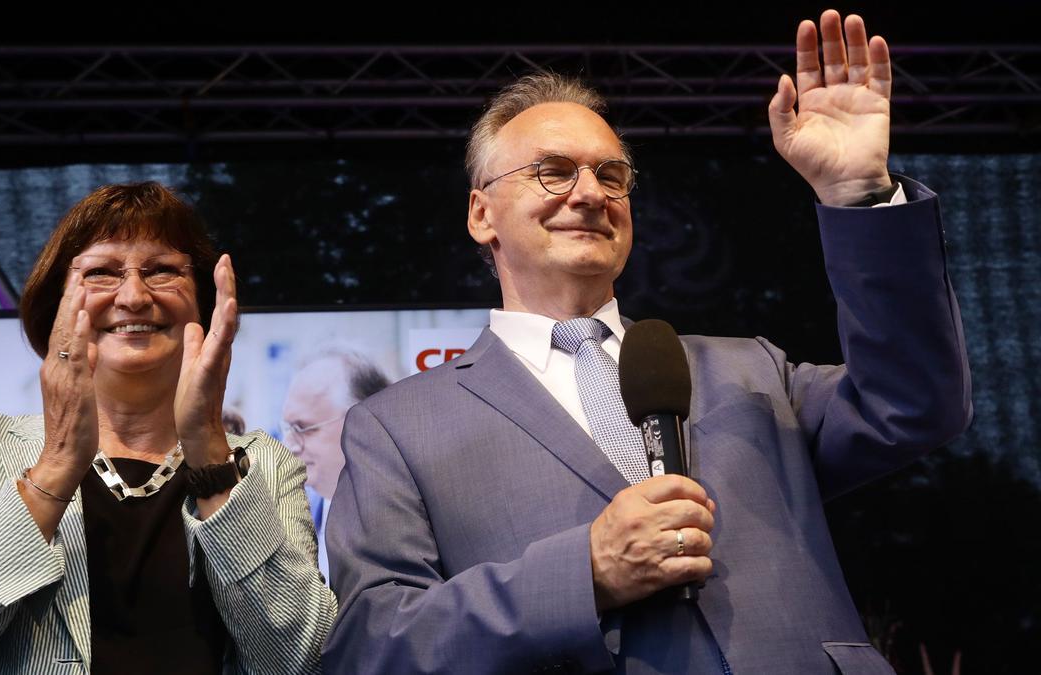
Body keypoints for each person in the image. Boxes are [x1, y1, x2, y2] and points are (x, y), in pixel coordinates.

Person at [323, 10, 971, 675]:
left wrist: (858, 193)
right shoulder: (395, 427)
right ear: (481, 213)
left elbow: (916, 403)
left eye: (611, 175)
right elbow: (372, 644)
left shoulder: (751, 366)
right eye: (552, 171)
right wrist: (585, 573)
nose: (589, 193)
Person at [0, 183, 336, 674]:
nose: (134, 296)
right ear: (57, 304)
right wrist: (55, 467)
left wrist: (209, 454)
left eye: (162, 270)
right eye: (101, 273)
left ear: (204, 304)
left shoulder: (263, 465)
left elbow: (304, 661)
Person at [280, 346, 390, 584]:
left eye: (302, 427)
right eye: (288, 428)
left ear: (364, 421)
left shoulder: (407, 520)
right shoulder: (295, 516)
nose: (289, 446)